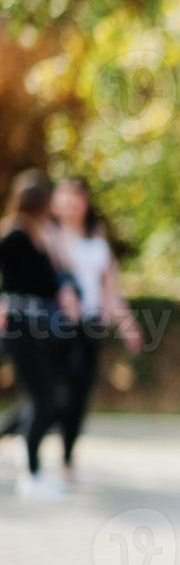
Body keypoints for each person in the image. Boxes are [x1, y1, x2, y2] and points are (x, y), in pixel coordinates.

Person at [49, 176, 143, 481]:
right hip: (59, 324)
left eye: (78, 198)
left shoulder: (97, 235)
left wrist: (127, 324)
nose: (72, 205)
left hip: (92, 323)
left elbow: (110, 288)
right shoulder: (49, 235)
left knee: (80, 392)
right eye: (66, 198)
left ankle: (66, 456)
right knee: (56, 391)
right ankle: (27, 434)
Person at [0, 169, 83, 497]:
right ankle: (31, 473)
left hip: (40, 330)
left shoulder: (40, 238)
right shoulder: (13, 237)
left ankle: (29, 463)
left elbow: (54, 282)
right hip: (21, 328)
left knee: (45, 398)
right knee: (44, 398)